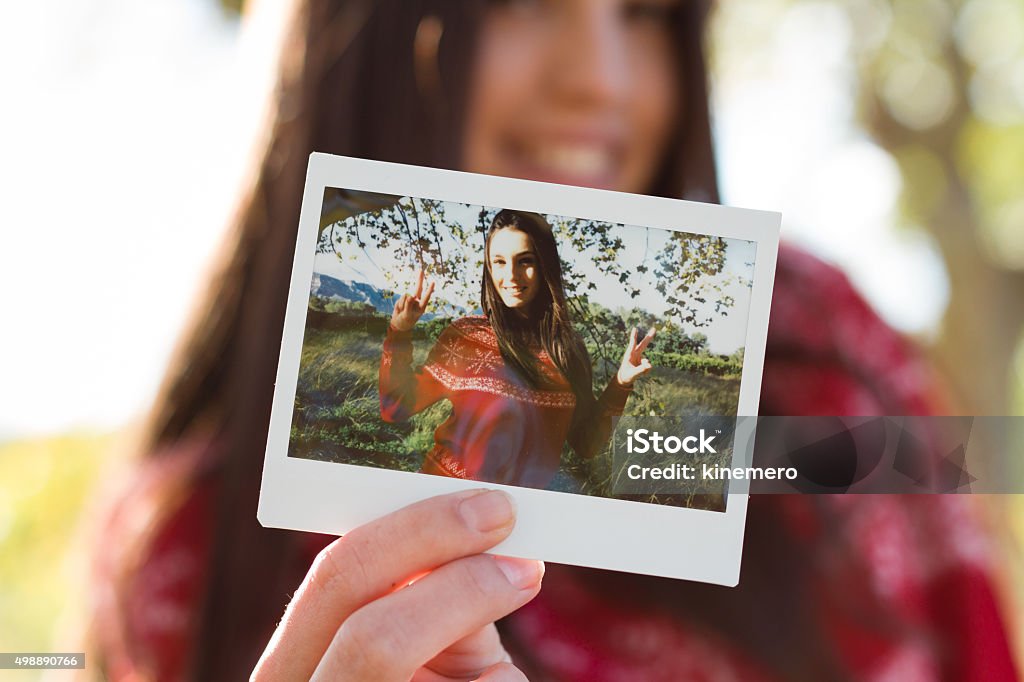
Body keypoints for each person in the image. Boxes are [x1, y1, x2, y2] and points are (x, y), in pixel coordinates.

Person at [87, 1, 1020, 680]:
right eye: (521, 3)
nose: (600, 81)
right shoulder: (191, 561)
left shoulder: (825, 354)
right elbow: (399, 408)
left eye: (648, 14)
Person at [379, 209, 653, 487]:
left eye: (525, 261)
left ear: (545, 264)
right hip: (441, 498)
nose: (510, 275)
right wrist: (400, 332)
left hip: (518, 515)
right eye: (499, 262)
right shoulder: (465, 336)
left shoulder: (568, 351)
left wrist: (621, 383)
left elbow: (586, 444)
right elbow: (395, 408)